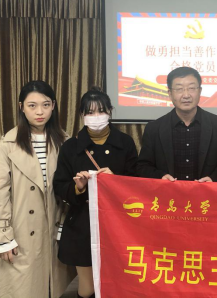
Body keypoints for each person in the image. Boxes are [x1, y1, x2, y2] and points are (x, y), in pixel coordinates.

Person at [0, 80, 75, 298]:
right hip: (22, 224)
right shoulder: (7, 145)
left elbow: (68, 188)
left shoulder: (65, 142)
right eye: (32, 106)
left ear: (53, 106)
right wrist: (3, 234)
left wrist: (65, 223)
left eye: (45, 105)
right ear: (21, 107)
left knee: (51, 276)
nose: (40, 112)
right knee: (22, 281)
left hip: (54, 220)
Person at [53, 87, 138, 298]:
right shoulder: (70, 147)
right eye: (90, 112)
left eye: (101, 111)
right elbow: (59, 185)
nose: (96, 116)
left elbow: (137, 184)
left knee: (117, 280)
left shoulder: (125, 143)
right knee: (89, 287)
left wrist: (115, 180)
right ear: (82, 114)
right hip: (83, 223)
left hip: (119, 223)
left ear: (110, 111)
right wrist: (78, 187)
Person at [136, 67, 217, 183]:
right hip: (168, 193)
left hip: (206, 193)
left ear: (200, 91)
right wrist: (160, 176)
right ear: (170, 93)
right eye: (179, 89)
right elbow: (143, 166)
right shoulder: (154, 128)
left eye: (191, 88)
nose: (186, 95)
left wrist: (213, 179)